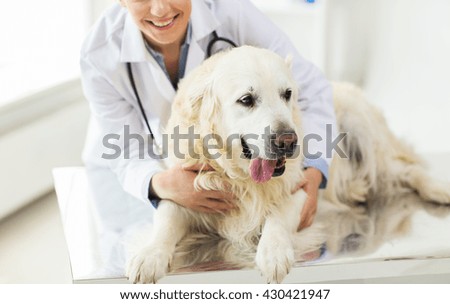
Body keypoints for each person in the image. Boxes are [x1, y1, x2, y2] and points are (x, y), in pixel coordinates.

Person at [80, 0, 337, 231]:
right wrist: (160, 184)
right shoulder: (98, 52)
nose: (160, 9)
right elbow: (126, 150)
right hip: (123, 172)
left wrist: (314, 167)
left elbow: (310, 89)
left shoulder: (232, 12)